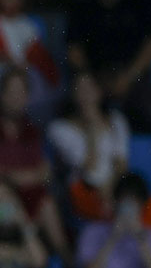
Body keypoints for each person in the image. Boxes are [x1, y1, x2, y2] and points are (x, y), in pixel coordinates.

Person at [0, 69, 70, 259]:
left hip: (25, 198)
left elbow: (45, 171)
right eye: (12, 91)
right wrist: (9, 177)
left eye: (21, 92)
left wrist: (31, 177)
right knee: (0, 193)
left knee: (47, 204)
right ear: (1, 94)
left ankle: (66, 264)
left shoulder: (31, 129)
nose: (16, 97)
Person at [65, 0, 151, 130]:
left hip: (133, 77)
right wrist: (90, 78)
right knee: (69, 106)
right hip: (94, 77)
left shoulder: (140, 3)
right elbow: (73, 49)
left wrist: (129, 76)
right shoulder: (83, 4)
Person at [48, 71, 131, 221]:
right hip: (84, 189)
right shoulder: (60, 128)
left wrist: (112, 190)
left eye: (89, 87)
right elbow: (89, 166)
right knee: (111, 212)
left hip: (114, 187)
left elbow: (121, 165)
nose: (85, 94)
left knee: (145, 209)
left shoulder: (117, 121)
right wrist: (92, 128)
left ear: (99, 91)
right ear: (73, 95)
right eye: (80, 89)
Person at [0, 0, 60, 121]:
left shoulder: (28, 25)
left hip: (22, 74)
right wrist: (6, 59)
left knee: (46, 89)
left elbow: (36, 57)